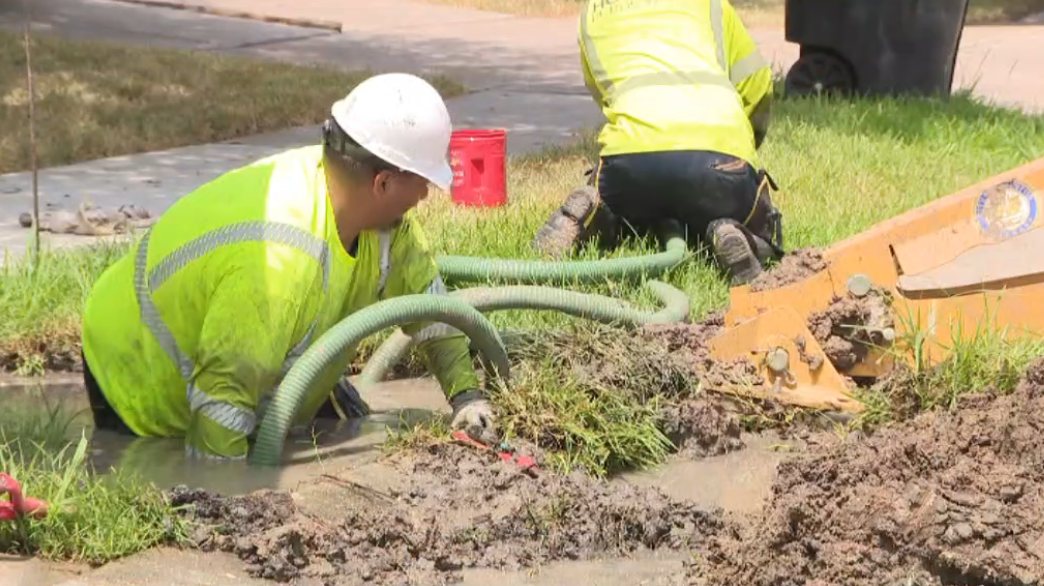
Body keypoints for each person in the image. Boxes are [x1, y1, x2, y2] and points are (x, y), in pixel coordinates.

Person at [80, 73, 498, 461]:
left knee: (336, 413)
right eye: (422, 180)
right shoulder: (275, 260)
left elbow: (431, 309)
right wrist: (224, 497)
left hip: (244, 340)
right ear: (383, 183)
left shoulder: (381, 222)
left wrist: (467, 399)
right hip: (132, 364)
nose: (426, 193)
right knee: (166, 457)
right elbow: (223, 399)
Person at [532, 0, 785, 286]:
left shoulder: (592, 10)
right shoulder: (712, 4)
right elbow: (758, 82)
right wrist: (746, 144)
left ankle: (594, 213)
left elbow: (603, 91)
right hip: (721, 163)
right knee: (756, 222)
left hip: (629, 162)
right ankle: (733, 232)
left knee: (627, 220)